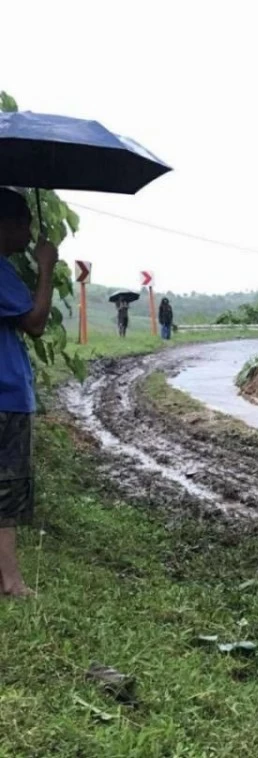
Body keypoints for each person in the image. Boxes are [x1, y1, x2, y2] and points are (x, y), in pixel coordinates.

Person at [0, 188, 58, 598]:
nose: (29, 231)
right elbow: (35, 322)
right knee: (6, 486)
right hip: (4, 395)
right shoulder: (0, 272)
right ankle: (11, 581)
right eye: (25, 223)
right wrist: (46, 268)